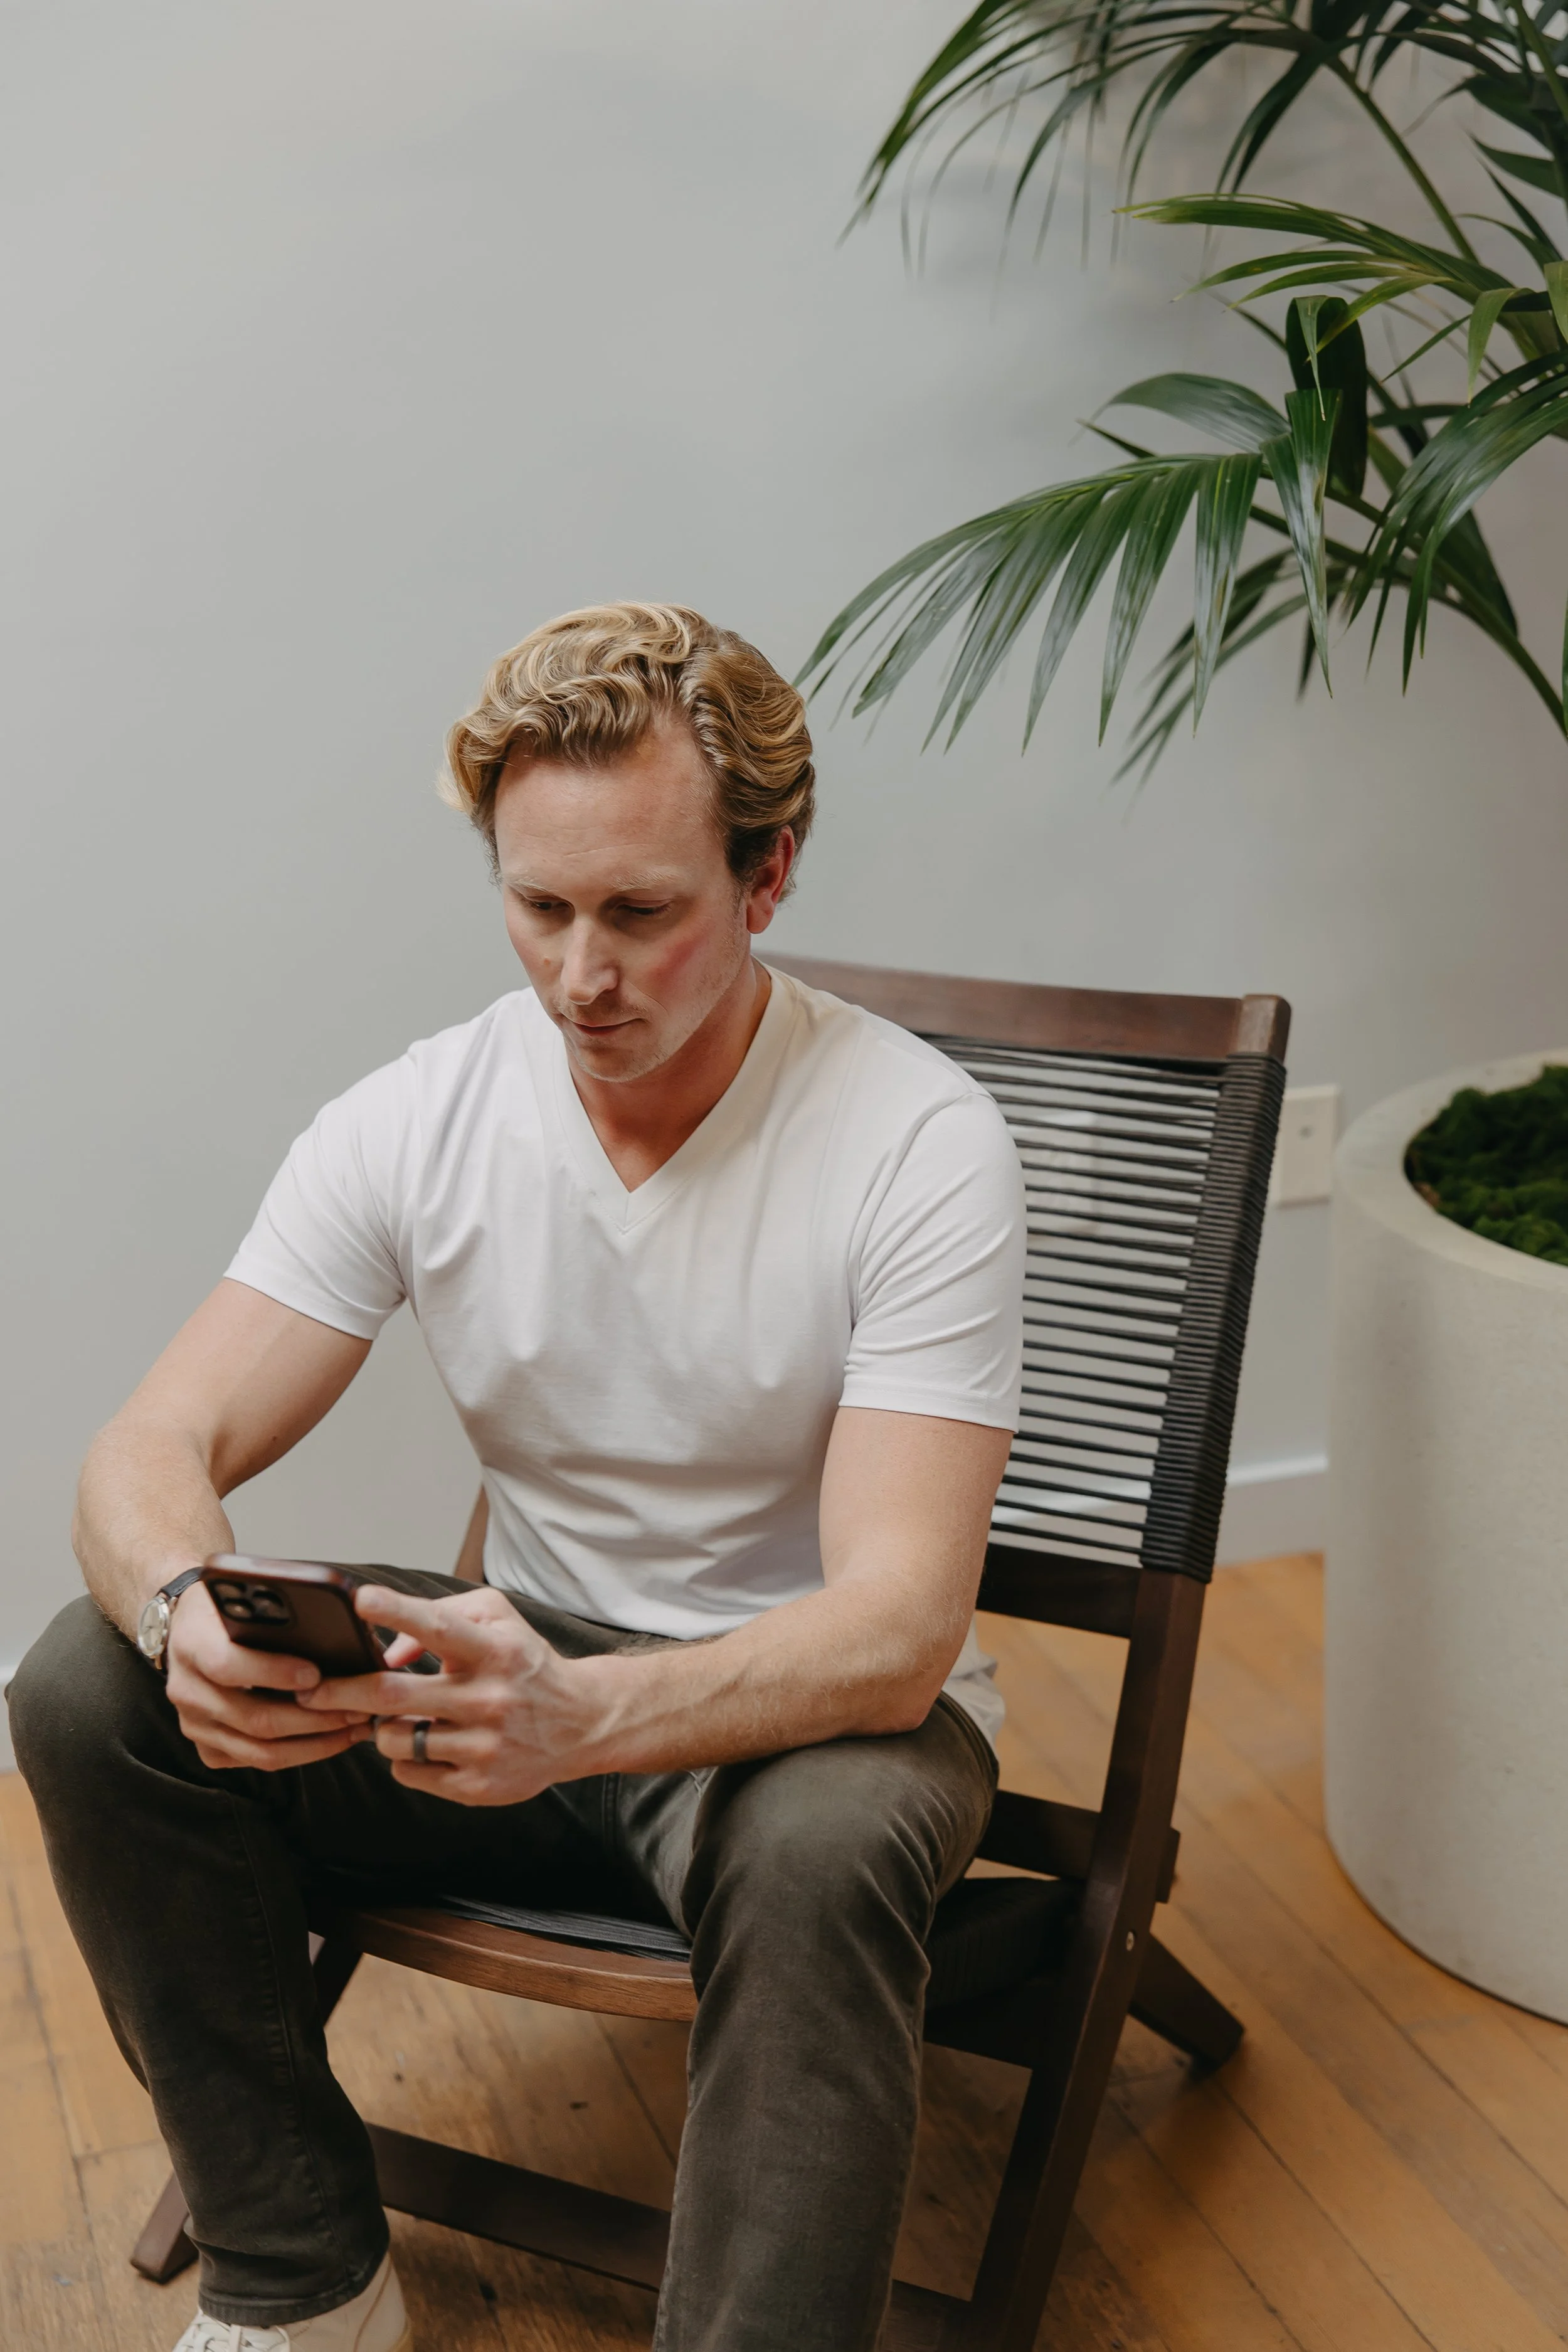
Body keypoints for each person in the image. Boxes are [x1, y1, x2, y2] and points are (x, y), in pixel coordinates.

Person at [9, 603, 1024, 2352]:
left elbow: (897, 1630)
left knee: (829, 1843)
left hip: (802, 1727)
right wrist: (185, 1611)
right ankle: (301, 2277)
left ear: (769, 871)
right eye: (537, 906)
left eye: (643, 911)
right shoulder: (422, 1113)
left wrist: (589, 1711)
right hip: (506, 1697)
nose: (580, 973)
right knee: (86, 1679)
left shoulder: (914, 1142)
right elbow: (147, 1447)